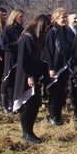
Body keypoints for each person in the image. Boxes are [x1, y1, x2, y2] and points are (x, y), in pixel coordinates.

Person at [13, 14, 51, 144]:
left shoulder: (35, 38)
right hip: (26, 76)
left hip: (35, 76)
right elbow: (24, 61)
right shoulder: (26, 38)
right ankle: (26, 133)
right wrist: (29, 76)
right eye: (46, 28)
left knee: (35, 104)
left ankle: (31, 131)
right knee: (27, 104)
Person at [42, 8, 75, 126]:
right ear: (56, 19)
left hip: (65, 66)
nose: (65, 19)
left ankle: (58, 115)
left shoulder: (67, 31)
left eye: (66, 17)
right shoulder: (52, 32)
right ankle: (52, 116)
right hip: (56, 67)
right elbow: (49, 52)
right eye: (62, 17)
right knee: (54, 93)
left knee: (62, 92)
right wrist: (51, 68)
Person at [0, 9, 24, 114]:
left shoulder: (21, 28)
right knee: (8, 81)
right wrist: (17, 43)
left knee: (15, 81)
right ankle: (4, 105)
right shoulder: (8, 29)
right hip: (10, 57)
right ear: (15, 17)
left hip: (19, 57)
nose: (22, 19)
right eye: (21, 17)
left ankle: (13, 103)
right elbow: (5, 45)